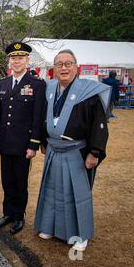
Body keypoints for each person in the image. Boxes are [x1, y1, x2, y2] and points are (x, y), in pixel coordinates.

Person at [34, 49, 110, 252]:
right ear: (54, 69)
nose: (64, 67)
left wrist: (94, 152)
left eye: (68, 63)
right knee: (52, 191)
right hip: (53, 149)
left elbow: (99, 124)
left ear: (77, 67)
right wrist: (43, 140)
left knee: (77, 194)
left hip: (76, 151)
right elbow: (43, 115)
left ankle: (81, 235)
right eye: (59, 64)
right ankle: (50, 227)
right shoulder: (50, 89)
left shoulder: (89, 91)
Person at [0, 41, 46, 234]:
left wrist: (33, 144)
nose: (16, 61)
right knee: (7, 180)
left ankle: (18, 216)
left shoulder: (37, 84)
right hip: (6, 143)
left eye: (20, 58)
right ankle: (7, 213)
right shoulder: (3, 84)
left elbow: (37, 116)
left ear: (27, 60)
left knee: (20, 181)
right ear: (9, 61)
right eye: (13, 58)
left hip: (24, 145)